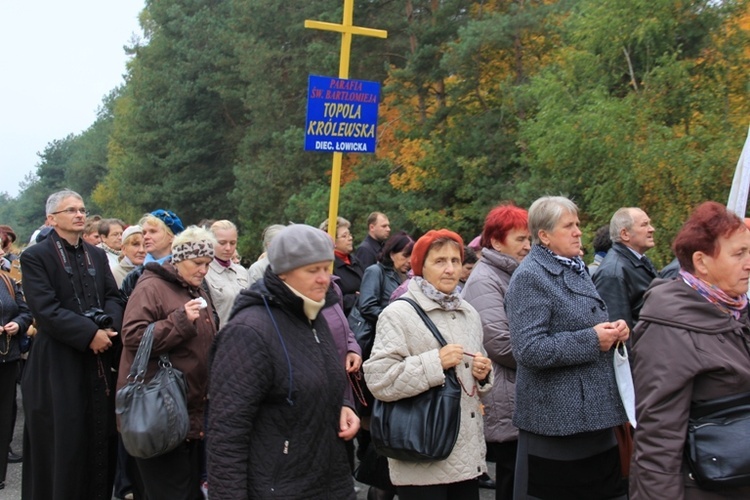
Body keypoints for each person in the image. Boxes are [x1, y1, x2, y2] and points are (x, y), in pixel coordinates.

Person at [207, 224, 359, 499]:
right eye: (312, 270)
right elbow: (226, 435)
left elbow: (313, 382)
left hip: (331, 481)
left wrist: (342, 405)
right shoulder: (248, 332)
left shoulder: (314, 316)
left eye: (327, 268)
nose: (324, 278)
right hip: (278, 488)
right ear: (283, 272)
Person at [505, 196, 630, 500]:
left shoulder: (575, 267)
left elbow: (583, 320)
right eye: (569, 226)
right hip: (557, 425)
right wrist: (592, 340)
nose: (578, 232)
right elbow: (529, 349)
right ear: (544, 235)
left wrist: (616, 331)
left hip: (594, 418)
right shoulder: (530, 277)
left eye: (578, 225)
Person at [630, 201, 750, 499]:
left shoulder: (734, 310)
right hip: (705, 487)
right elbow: (658, 439)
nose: (749, 262)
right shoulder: (670, 329)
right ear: (702, 261)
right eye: (739, 254)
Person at [364, 229, 492, 499]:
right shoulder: (398, 313)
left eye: (455, 261)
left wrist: (482, 374)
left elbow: (474, 375)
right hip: (420, 455)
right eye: (440, 261)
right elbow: (379, 380)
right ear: (421, 266)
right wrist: (435, 362)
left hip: (466, 457)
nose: (450, 269)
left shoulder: (468, 312)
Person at [20, 190, 124, 499]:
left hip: (99, 361)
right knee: (63, 445)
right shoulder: (35, 256)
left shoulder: (96, 254)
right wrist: (88, 334)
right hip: (57, 365)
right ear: (52, 219)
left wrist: (108, 328)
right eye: (71, 210)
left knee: (99, 440)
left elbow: (113, 297)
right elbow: (44, 309)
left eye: (82, 209)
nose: (79, 214)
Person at [118, 225, 218, 499]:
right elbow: (133, 336)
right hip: (159, 410)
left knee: (187, 491)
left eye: (208, 264)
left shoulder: (196, 287)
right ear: (179, 258)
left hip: (191, 411)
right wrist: (180, 321)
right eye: (198, 263)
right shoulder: (151, 286)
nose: (203, 270)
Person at [462, 203, 531, 500]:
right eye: (520, 240)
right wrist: (547, 354)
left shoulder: (514, 273)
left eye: (530, 239)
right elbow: (499, 343)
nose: (528, 246)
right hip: (504, 396)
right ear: (496, 241)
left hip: (518, 392)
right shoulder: (485, 279)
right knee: (512, 480)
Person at [0, 245, 33, 491]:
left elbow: (25, 312)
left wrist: (17, 324)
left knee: (5, 415)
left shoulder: (8, 281)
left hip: (7, 358)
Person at [593, 207, 657, 330]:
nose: (651, 229)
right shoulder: (613, 273)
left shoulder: (637, 261)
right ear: (625, 234)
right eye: (644, 225)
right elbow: (617, 329)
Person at [205, 220, 250, 327]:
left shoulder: (242, 272)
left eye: (233, 243)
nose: (228, 248)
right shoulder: (203, 273)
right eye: (222, 243)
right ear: (210, 242)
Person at [321, 216, 364, 316]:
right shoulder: (329, 266)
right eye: (344, 236)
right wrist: (356, 298)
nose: (350, 238)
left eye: (350, 234)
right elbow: (331, 298)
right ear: (333, 241)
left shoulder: (355, 261)